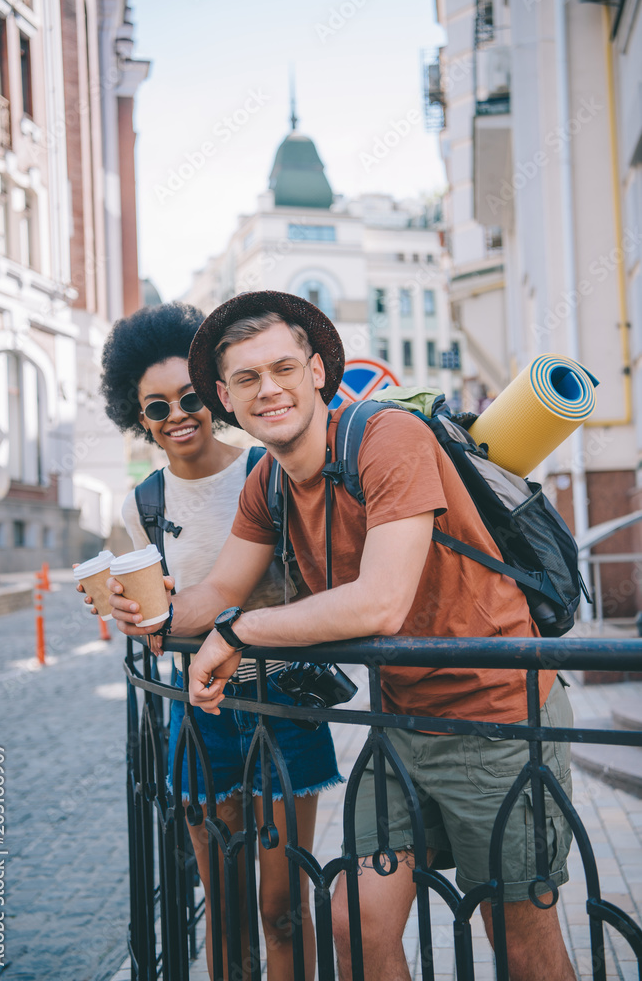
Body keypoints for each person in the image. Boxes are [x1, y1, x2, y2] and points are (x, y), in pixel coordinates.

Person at [109, 291, 576, 981]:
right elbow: (216, 594)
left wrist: (240, 632)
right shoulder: (265, 480)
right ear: (225, 398)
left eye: (283, 369)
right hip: (402, 727)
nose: (268, 390)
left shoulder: (387, 436)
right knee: (352, 925)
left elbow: (380, 603)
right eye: (245, 379)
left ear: (318, 371)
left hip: (496, 720)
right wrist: (147, 616)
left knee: (519, 948)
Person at [93, 302, 342, 981]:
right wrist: (130, 617)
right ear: (136, 417)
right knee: (225, 910)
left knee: (281, 906)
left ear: (217, 394)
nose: (176, 414)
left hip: (282, 703)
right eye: (154, 406)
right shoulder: (141, 504)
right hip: (196, 713)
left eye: (190, 396)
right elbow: (161, 625)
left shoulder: (268, 470)